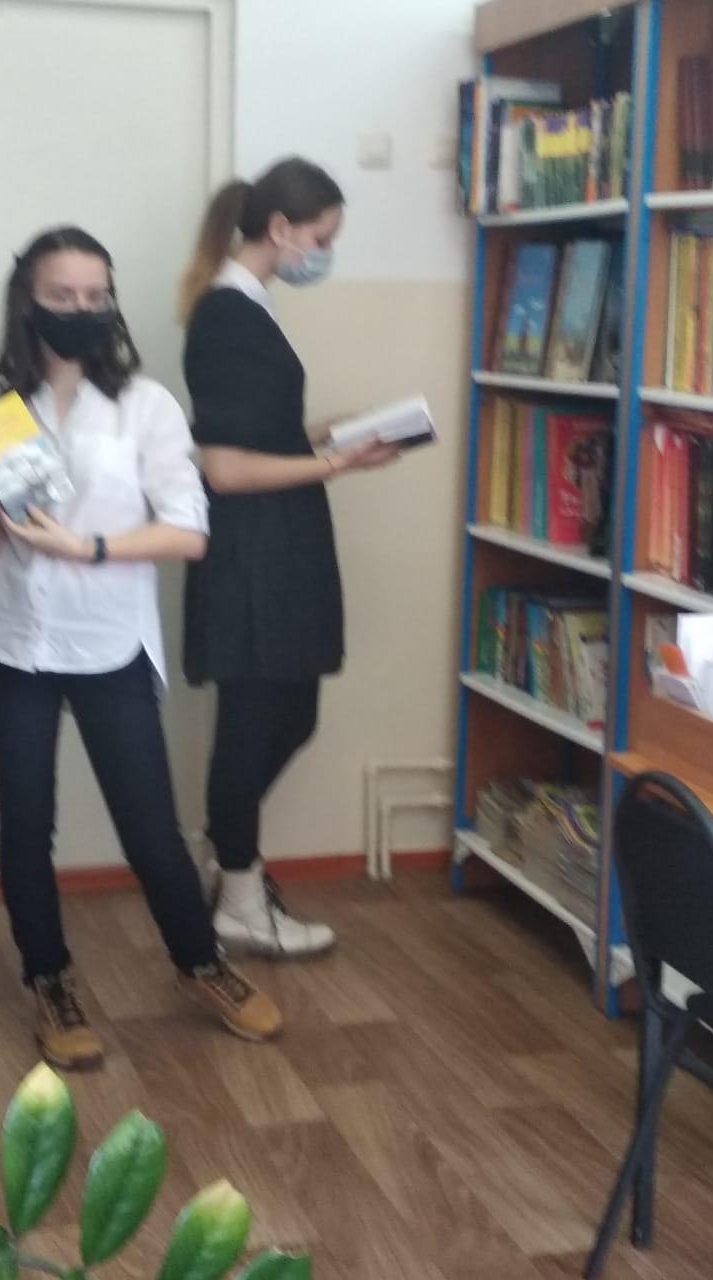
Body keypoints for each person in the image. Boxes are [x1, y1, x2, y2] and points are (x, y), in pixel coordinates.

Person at [0, 226, 282, 1069]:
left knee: (151, 829)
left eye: (97, 296)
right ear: (29, 303)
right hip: (15, 644)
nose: (83, 310)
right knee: (26, 824)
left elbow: (189, 532)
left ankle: (201, 963)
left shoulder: (146, 407)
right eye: (64, 296)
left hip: (110, 647)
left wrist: (88, 547)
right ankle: (49, 982)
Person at [179, 157, 398, 959]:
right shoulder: (228, 315)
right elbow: (225, 467)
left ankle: (228, 855)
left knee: (290, 714)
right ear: (280, 229)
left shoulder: (246, 306)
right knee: (254, 723)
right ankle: (239, 896)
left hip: (276, 547)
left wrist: (328, 434)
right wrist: (337, 464)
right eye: (323, 238)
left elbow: (255, 436)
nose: (326, 253)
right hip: (253, 554)